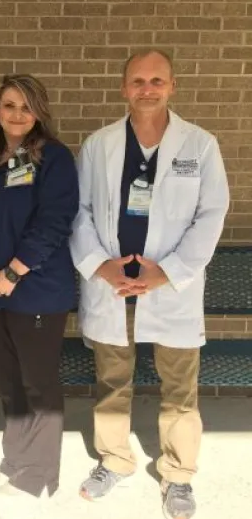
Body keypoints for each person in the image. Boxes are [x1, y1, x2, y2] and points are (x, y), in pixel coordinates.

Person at [70, 49, 230, 519]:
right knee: (111, 382)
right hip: (113, 286)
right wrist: (101, 266)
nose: (147, 88)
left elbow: (212, 214)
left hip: (171, 290)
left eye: (156, 80)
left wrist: (170, 271)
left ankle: (178, 476)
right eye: (138, 80)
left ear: (172, 86)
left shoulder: (200, 145)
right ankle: (114, 460)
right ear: (124, 88)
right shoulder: (98, 145)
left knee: (180, 389)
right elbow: (77, 212)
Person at [0, 74, 79, 498]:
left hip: (35, 290)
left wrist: (12, 273)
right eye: (10, 104)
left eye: (26, 106)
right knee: (8, 379)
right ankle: (14, 457)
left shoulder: (54, 158)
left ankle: (38, 473)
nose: (17, 114)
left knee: (38, 383)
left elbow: (53, 222)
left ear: (39, 112)